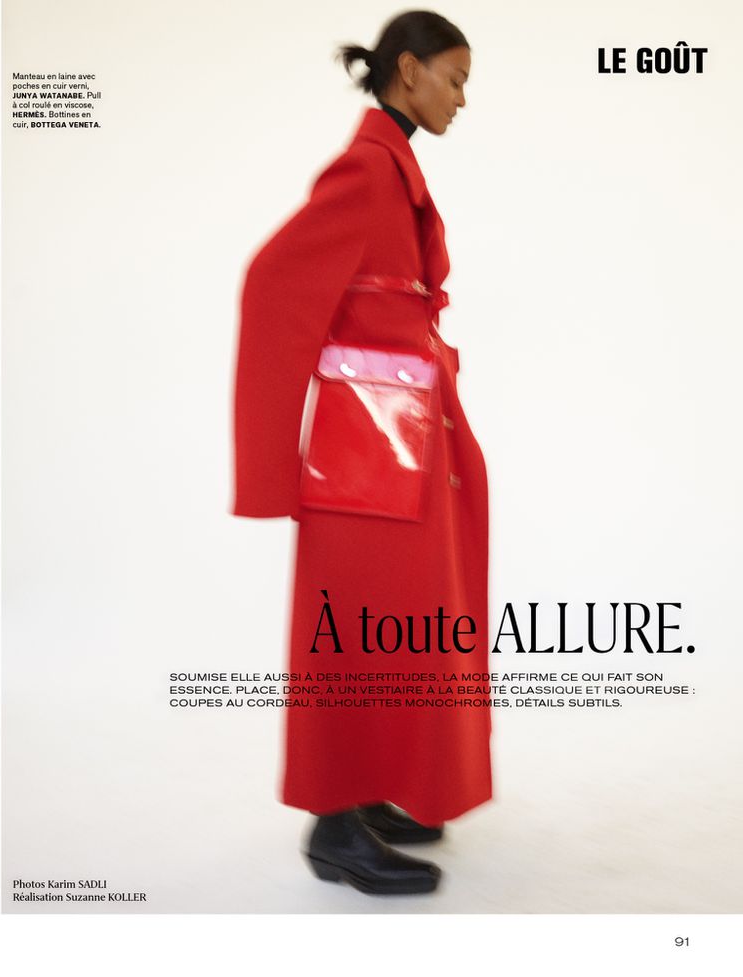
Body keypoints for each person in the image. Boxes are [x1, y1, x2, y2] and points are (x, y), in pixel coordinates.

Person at [231, 10, 491, 896]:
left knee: (394, 627)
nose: (462, 99)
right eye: (455, 78)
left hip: (400, 442)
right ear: (408, 71)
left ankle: (367, 792)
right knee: (356, 631)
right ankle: (334, 827)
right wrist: (268, 472)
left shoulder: (392, 163)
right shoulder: (369, 168)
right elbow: (272, 284)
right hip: (368, 453)